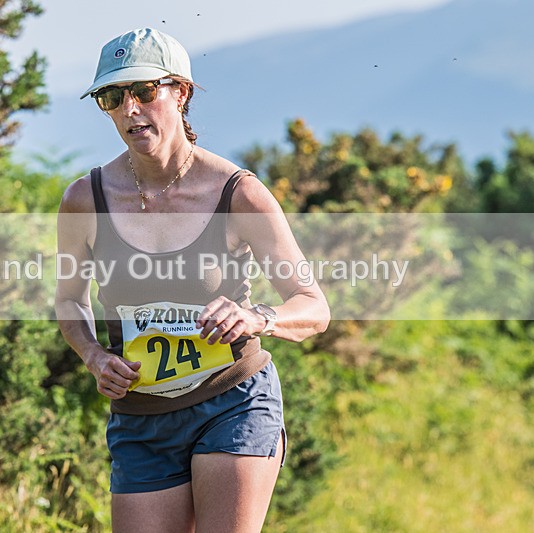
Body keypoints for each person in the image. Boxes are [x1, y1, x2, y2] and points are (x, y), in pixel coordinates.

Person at [55, 28, 330, 532]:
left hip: (232, 401)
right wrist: (94, 356)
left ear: (180, 92)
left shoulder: (238, 193)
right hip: (140, 415)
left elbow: (312, 305)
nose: (130, 109)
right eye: (112, 97)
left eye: (144, 91)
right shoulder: (84, 199)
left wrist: (256, 317)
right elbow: (70, 301)